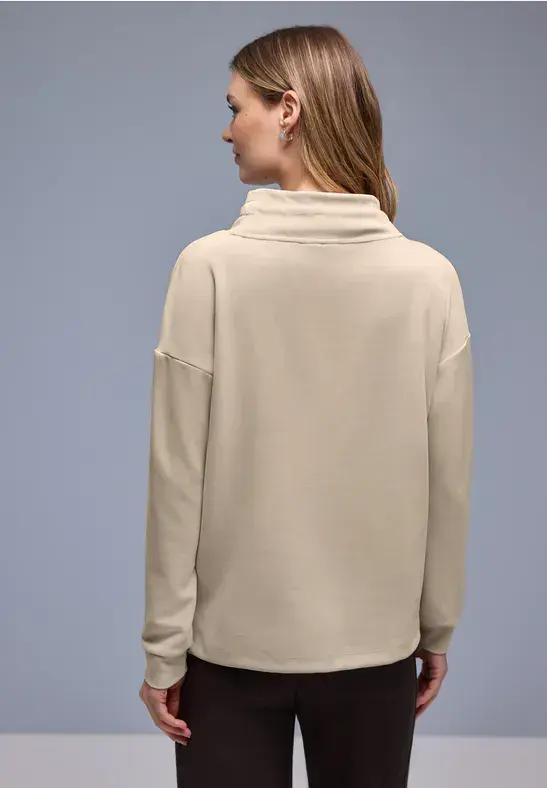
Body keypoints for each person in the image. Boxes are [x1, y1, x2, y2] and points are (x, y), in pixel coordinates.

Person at [138, 24, 474, 788]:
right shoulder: (429, 280)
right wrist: (435, 628)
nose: (226, 129)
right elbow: (447, 484)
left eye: (235, 107)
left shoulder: (208, 269)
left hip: (226, 655)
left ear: (286, 110)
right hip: (376, 651)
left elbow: (176, 481)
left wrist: (163, 650)